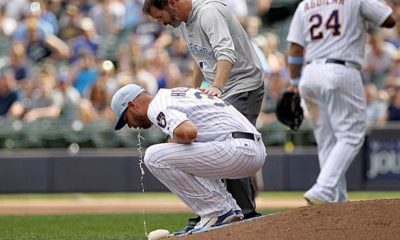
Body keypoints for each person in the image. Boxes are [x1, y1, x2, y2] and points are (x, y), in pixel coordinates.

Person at [142, 0, 265, 229]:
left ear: (171, 3)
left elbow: (226, 53)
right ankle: (218, 209)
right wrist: (193, 90)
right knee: (201, 145)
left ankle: (245, 214)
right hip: (220, 89)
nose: (161, 23)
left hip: (242, 84)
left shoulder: (208, 12)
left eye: (160, 17)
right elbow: (200, 58)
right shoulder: (184, 22)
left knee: (234, 143)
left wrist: (216, 87)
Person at [111, 84, 266, 232]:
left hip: (238, 148)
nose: (130, 126)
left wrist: (173, 142)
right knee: (182, 153)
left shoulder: (156, 105)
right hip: (250, 147)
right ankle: (230, 210)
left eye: (126, 119)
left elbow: (188, 132)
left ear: (132, 105)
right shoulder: (174, 93)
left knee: (154, 156)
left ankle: (216, 211)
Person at [286, 0, 395, 204]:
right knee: (351, 135)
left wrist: (293, 83)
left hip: (309, 74)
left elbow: (294, 48)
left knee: (327, 139)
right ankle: (324, 188)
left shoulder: (305, 4)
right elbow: (389, 20)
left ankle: (337, 198)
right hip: (340, 69)